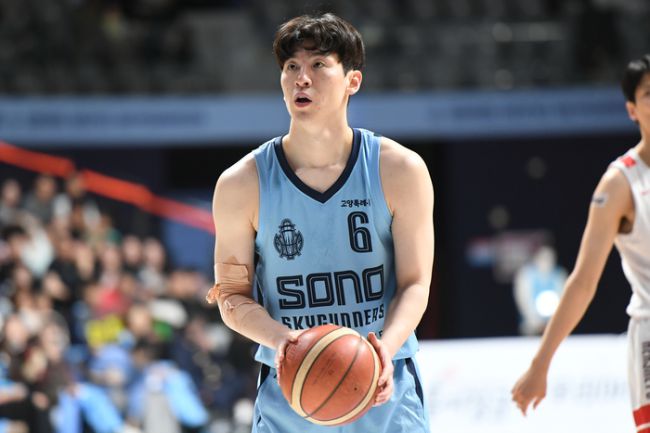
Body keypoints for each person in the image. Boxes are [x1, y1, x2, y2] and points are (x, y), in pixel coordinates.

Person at [206, 12, 434, 433]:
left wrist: (384, 350)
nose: (302, 79)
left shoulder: (400, 170)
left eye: (318, 65)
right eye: (291, 66)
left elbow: (415, 284)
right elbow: (232, 296)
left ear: (352, 81)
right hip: (291, 390)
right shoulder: (241, 184)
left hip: (384, 386)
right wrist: (282, 339)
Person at [511, 54, 650, 429]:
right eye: (649, 94)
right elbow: (583, 281)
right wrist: (540, 364)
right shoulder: (619, 183)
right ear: (632, 110)